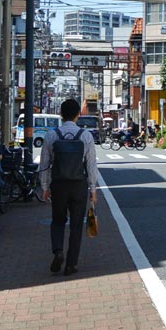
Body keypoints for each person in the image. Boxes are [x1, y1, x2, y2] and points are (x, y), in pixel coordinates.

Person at [39, 98, 99, 276]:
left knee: (57, 220)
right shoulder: (85, 136)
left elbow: (44, 164)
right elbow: (91, 165)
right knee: (76, 225)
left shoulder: (52, 135)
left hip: (58, 185)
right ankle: (71, 264)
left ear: (60, 114)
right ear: (78, 115)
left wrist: (44, 186)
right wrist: (93, 189)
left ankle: (58, 251)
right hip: (78, 185)